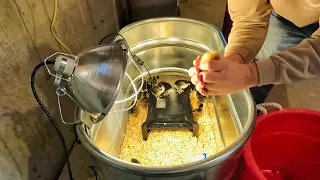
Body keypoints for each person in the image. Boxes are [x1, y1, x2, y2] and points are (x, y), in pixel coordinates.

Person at [188, 0, 320, 103]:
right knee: (264, 69)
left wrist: (252, 75)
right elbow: (249, 19)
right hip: (282, 15)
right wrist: (234, 60)